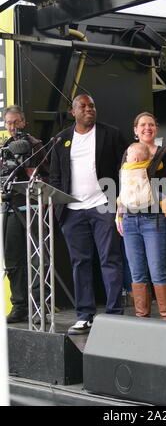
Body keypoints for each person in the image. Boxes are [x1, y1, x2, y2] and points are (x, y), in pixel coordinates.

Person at [49, 94, 126, 335]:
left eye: (91, 105)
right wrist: (59, 205)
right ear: (73, 112)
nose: (88, 109)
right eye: (82, 106)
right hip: (72, 211)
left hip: (103, 205)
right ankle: (84, 315)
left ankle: (114, 314)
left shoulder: (110, 134)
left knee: (110, 259)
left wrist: (119, 197)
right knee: (80, 262)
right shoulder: (62, 139)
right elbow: (54, 176)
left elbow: (124, 166)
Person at [116, 112, 166, 320]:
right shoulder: (127, 153)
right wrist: (119, 216)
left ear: (156, 128)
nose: (147, 128)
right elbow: (124, 186)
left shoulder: (164, 153)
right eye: (142, 125)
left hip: (155, 219)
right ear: (135, 130)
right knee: (137, 272)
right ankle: (142, 319)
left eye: (151, 124)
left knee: (157, 271)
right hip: (130, 219)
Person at [3, 105, 49, 323]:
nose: (13, 126)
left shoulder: (35, 144)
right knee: (13, 258)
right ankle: (19, 305)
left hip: (33, 207)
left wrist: (27, 162)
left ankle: (41, 306)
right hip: (10, 207)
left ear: (24, 122)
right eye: (8, 123)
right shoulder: (4, 146)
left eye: (16, 122)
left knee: (39, 258)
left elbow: (43, 177)